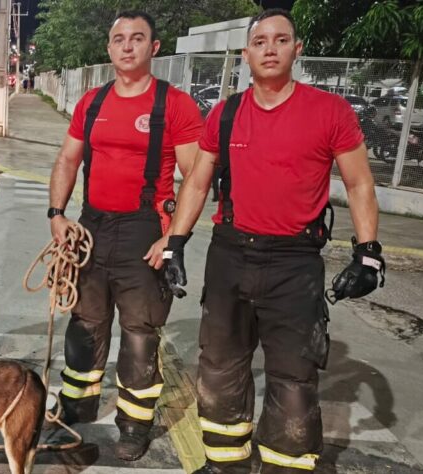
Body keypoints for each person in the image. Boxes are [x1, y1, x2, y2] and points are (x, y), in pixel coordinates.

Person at [145, 9, 385, 473]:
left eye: (281, 40)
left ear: (297, 49)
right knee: (218, 368)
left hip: (295, 263)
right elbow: (197, 181)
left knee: (293, 378)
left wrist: (368, 252)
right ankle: (225, 462)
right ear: (246, 52)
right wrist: (175, 242)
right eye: (260, 41)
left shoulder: (329, 112)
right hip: (230, 253)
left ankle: (283, 465)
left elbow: (359, 184)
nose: (270, 48)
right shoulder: (226, 112)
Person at [47, 10, 203, 462]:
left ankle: (134, 424)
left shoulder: (174, 105)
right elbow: (67, 161)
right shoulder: (91, 104)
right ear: (110, 48)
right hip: (91, 227)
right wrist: (57, 214)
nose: (128, 46)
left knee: (139, 333)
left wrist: (173, 238)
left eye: (138, 38)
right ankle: (77, 403)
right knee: (85, 323)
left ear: (154, 48)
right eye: (119, 39)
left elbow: (196, 176)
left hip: (145, 232)